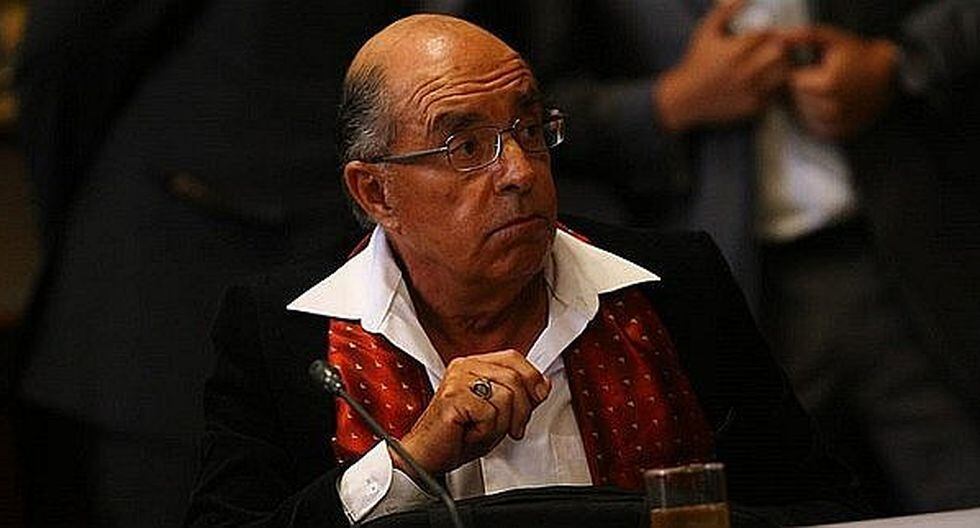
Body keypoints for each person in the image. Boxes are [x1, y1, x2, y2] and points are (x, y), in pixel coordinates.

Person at [184, 14, 865, 527]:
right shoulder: (285, 332)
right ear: (376, 192)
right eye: (466, 147)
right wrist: (406, 462)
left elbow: (821, 509)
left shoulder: (674, 287)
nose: (518, 172)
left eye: (531, 130)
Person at [512, 0, 980, 513]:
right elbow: (518, 94)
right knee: (773, 505)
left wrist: (897, 61)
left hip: (908, 246)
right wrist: (668, 101)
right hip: (709, 278)